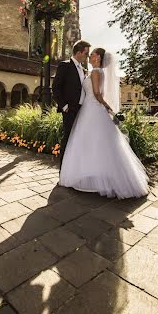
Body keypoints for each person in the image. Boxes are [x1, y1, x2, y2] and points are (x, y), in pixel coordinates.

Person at [59, 47, 149, 199]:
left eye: (92, 53)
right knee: (98, 142)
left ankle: (92, 176)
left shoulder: (95, 72)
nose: (90, 55)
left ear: (98, 57)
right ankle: (95, 174)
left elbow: (97, 93)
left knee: (90, 142)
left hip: (92, 108)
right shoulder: (96, 71)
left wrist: (109, 108)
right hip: (90, 108)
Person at [52, 40, 91, 168]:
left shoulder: (83, 69)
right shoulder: (65, 65)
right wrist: (64, 106)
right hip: (70, 110)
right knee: (68, 138)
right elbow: (56, 88)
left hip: (82, 110)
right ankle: (63, 170)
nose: (87, 56)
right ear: (79, 52)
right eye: (86, 53)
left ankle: (75, 168)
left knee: (79, 139)